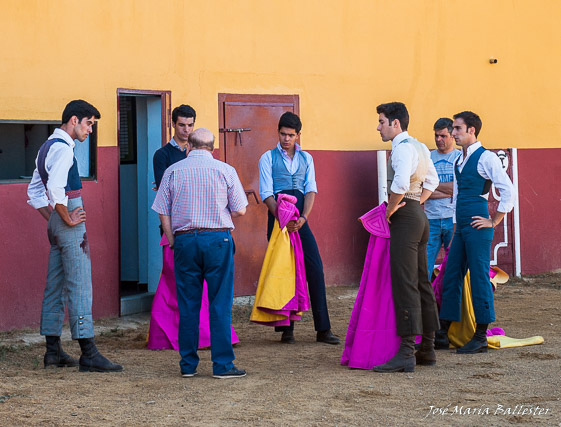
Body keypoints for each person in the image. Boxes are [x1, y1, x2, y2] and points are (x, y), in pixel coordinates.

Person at [27, 99, 123, 372]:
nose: (90, 130)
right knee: (80, 283)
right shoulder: (65, 151)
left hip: (58, 222)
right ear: (74, 121)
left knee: (55, 285)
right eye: (89, 123)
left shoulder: (46, 147)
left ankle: (53, 350)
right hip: (69, 219)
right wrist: (67, 217)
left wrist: (55, 219)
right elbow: (56, 189)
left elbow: (34, 193)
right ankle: (88, 352)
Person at [152, 128, 248, 379]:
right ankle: (222, 365)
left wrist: (172, 239)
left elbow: (162, 209)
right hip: (217, 239)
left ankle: (188, 365)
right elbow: (240, 210)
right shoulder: (226, 170)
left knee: (188, 304)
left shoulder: (173, 171)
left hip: (185, 241)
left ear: (188, 147)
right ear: (212, 149)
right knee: (219, 303)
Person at [258, 112, 340, 346]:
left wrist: (303, 217)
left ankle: (323, 329)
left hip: (300, 220)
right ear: (278, 133)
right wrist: (283, 218)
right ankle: (287, 330)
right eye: (283, 134)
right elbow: (266, 193)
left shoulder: (307, 158)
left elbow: (310, 190)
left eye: (291, 135)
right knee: (286, 272)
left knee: (315, 269)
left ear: (298, 135)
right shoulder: (267, 158)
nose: (286, 139)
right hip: (278, 221)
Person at [438, 111, 515, 354]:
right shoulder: (458, 160)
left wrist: (494, 221)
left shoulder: (487, 158)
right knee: (451, 274)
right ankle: (443, 331)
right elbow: (457, 195)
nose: (453, 134)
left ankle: (480, 335)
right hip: (462, 225)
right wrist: (454, 224)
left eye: (458, 129)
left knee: (480, 276)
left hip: (478, 223)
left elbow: (508, 191)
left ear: (472, 130)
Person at [372, 102, 440, 373]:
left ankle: (406, 351)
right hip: (419, 216)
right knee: (422, 280)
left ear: (395, 123)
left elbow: (399, 184)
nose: (378, 127)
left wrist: (390, 211)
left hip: (405, 218)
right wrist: (415, 203)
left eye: (381, 122)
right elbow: (432, 182)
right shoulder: (422, 147)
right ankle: (429, 348)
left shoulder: (401, 149)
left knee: (405, 282)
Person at [425, 118, 461, 280]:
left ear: (452, 136)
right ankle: (424, 303)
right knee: (424, 266)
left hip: (453, 219)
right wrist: (449, 190)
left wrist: (433, 186)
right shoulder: (427, 157)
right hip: (430, 218)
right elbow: (422, 190)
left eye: (443, 136)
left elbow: (458, 188)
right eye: (436, 136)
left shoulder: (460, 158)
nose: (439, 139)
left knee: (454, 265)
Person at [153, 104, 196, 189]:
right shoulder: (161, 154)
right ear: (173, 124)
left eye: (190, 125)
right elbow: (163, 188)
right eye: (181, 125)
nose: (186, 130)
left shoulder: (198, 152)